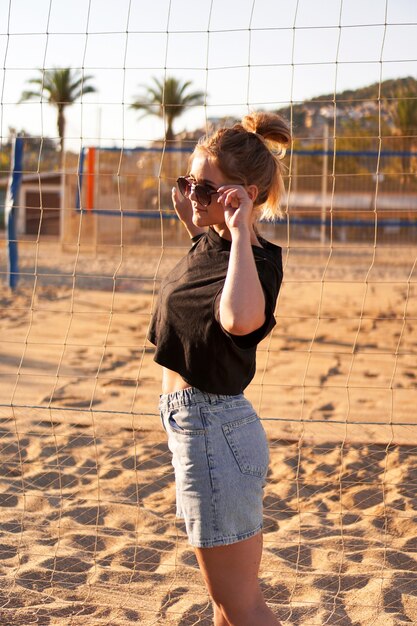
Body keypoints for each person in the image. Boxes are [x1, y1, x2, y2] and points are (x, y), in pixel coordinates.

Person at [148, 110, 291, 626]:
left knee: (242, 605)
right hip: (196, 428)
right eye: (189, 183)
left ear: (246, 195)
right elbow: (196, 295)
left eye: (205, 189)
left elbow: (238, 318)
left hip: (214, 430)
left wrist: (236, 226)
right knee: (225, 605)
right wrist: (198, 221)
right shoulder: (215, 245)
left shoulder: (254, 261)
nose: (192, 195)